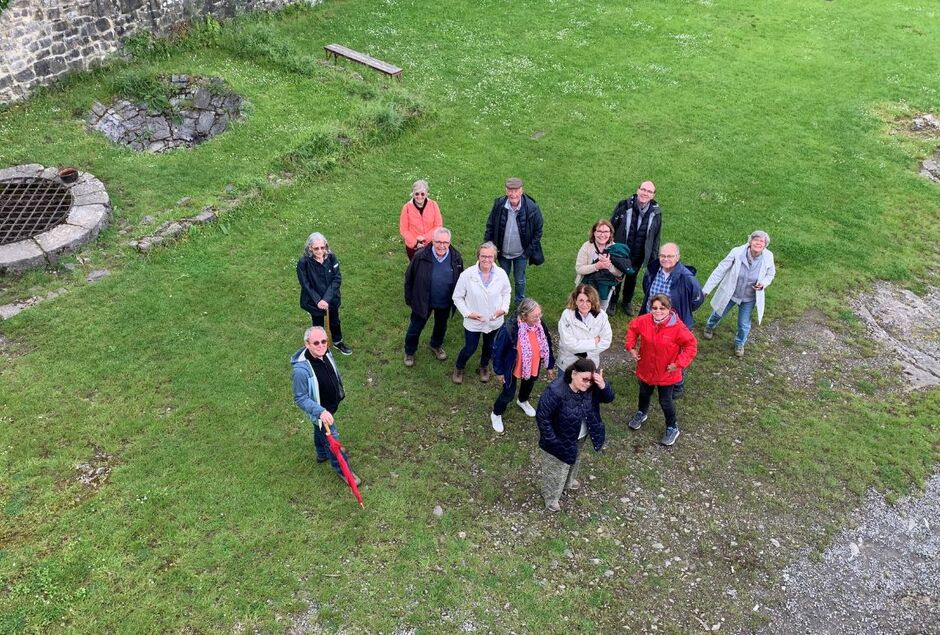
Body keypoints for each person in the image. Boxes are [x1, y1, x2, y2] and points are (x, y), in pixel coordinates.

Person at [536, 358, 613, 512]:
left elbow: (609, 398)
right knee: (556, 471)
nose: (587, 383)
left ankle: (568, 482)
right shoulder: (555, 391)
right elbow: (542, 418)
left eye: (591, 380)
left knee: (574, 460)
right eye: (584, 379)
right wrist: (553, 441)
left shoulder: (591, 388)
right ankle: (551, 499)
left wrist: (603, 385)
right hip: (558, 440)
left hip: (578, 436)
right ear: (573, 374)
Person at [291, 326, 361, 485]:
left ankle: (321, 453)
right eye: (316, 343)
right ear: (307, 344)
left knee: (319, 429)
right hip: (322, 413)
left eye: (324, 341)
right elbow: (300, 398)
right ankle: (344, 471)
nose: (321, 345)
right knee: (333, 443)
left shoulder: (325, 352)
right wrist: (320, 412)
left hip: (330, 407)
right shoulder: (300, 371)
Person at [625, 294, 697, 446]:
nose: (658, 311)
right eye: (654, 308)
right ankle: (641, 413)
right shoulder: (644, 320)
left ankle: (672, 427)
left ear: (669, 309)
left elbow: (691, 346)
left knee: (665, 401)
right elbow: (632, 328)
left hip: (666, 373)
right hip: (646, 367)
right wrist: (631, 347)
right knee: (644, 393)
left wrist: (678, 364)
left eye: (662, 308)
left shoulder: (678, 328)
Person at [640, 242, 703, 396]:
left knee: (674, 355)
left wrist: (684, 311)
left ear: (677, 258)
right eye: (662, 255)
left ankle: (677, 384)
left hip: (674, 325)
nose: (665, 259)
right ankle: (651, 375)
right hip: (652, 321)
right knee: (651, 349)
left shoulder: (686, 278)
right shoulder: (653, 270)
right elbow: (646, 289)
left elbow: (697, 299)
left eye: (670, 256)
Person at [701, 230, 776, 357]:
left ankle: (740, 343)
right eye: (756, 239)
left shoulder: (768, 256)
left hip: (749, 297)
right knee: (719, 312)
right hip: (732, 293)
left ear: (765, 245)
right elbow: (720, 269)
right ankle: (709, 326)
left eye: (761, 241)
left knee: (743, 323)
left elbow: (770, 274)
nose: (758, 243)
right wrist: (706, 289)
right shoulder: (737, 252)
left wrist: (763, 283)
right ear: (750, 241)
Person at [489, 298, 556, 434]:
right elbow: (498, 350)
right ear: (524, 316)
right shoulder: (510, 328)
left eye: (539, 314)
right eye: (535, 316)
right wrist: (499, 371)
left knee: (529, 384)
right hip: (512, 366)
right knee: (508, 393)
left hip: (533, 364)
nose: (538, 318)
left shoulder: (539, 324)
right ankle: (496, 413)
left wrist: (549, 365)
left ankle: (523, 400)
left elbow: (547, 342)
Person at [451, 241, 511, 384]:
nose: (486, 260)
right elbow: (457, 297)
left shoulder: (501, 274)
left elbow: (507, 292)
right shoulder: (467, 275)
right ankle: (459, 367)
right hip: (474, 321)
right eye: (483, 256)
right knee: (470, 347)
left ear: (494, 258)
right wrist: (467, 313)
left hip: (493, 320)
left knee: (489, 346)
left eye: (490, 257)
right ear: (478, 256)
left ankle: (484, 367)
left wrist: (504, 308)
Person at [403, 227, 464, 366]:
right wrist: (410, 299)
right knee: (415, 327)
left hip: (445, 301)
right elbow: (409, 278)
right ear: (432, 241)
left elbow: (461, 279)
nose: (442, 246)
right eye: (438, 242)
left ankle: (436, 345)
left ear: (450, 242)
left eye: (445, 242)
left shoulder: (456, 257)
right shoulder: (420, 256)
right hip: (423, 301)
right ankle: (409, 351)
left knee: (441, 326)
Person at [484, 177, 544, 304]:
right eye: (510, 190)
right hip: (502, 253)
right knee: (500, 278)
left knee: (519, 280)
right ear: (506, 191)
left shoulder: (532, 208)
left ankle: (519, 302)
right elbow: (490, 226)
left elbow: (538, 231)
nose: (513, 194)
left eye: (516, 190)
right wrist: (488, 247)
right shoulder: (499, 204)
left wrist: (527, 252)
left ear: (521, 191)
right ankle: (499, 301)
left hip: (521, 254)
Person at [609, 180, 662, 315]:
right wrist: (609, 246)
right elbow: (611, 226)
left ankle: (627, 301)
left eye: (649, 191)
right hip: (621, 252)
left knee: (632, 277)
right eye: (643, 189)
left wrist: (653, 257)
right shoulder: (624, 206)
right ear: (638, 190)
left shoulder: (656, 213)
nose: (645, 193)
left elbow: (656, 236)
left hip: (639, 254)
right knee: (617, 276)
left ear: (653, 195)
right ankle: (613, 301)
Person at [297, 232, 351, 355]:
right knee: (318, 325)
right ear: (310, 248)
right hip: (314, 302)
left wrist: (326, 299)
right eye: (316, 248)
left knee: (335, 321)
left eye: (322, 247)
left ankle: (338, 342)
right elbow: (305, 284)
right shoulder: (303, 263)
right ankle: (319, 348)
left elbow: (336, 279)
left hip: (331, 299)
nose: (320, 251)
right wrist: (318, 300)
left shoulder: (331, 257)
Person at [575, 219, 633, 311]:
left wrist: (608, 266)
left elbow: (619, 274)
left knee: (600, 311)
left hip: (606, 288)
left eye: (606, 231)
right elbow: (579, 269)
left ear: (610, 233)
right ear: (594, 232)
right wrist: (597, 266)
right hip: (585, 287)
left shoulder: (616, 248)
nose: (602, 235)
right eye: (599, 231)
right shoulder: (587, 246)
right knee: (583, 309)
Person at [556, 284, 612, 371]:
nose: (584, 304)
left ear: (593, 301)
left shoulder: (602, 316)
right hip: (568, 364)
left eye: (588, 301)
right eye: (581, 300)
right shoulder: (567, 315)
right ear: (575, 300)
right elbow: (569, 344)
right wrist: (593, 342)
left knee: (587, 384)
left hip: (590, 364)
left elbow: (606, 341)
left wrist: (585, 353)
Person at [399, 179, 443, 260]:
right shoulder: (407, 208)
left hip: (431, 245)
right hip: (413, 247)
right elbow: (404, 229)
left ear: (427, 194)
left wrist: (424, 238)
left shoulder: (433, 205)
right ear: (412, 194)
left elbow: (438, 226)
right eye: (417, 194)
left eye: (422, 194)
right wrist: (416, 243)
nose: (419, 197)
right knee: (415, 269)